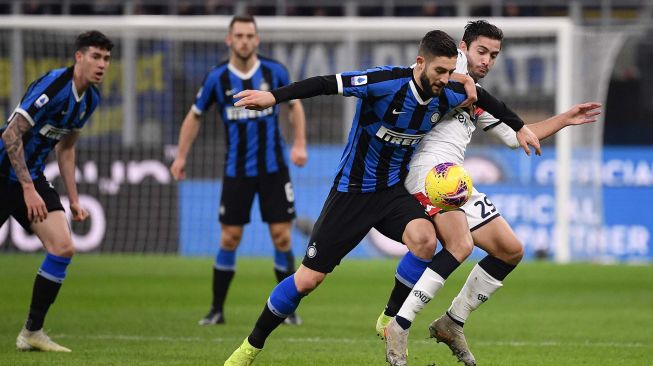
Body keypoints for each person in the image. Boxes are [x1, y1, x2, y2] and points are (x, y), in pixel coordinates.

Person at [223, 29, 540, 366]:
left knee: (424, 239)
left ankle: (390, 319)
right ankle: (250, 347)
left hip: (391, 192)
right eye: (440, 72)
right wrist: (273, 97)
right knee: (308, 279)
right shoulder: (383, 82)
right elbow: (324, 83)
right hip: (352, 193)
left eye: (451, 73)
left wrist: (518, 126)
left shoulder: (448, 92)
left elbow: (486, 99)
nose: (446, 80)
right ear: (420, 63)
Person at [378, 21, 602, 366]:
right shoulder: (447, 76)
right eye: (481, 51)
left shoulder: (473, 96)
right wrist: (460, 77)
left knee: (510, 250)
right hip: (429, 172)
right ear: (463, 49)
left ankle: (452, 322)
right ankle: (399, 324)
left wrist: (565, 118)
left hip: (453, 176)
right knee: (460, 245)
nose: (487, 60)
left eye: (494, 55)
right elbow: (417, 77)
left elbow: (516, 136)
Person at [169, 15, 308, 326]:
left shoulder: (274, 71)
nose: (244, 41)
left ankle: (287, 310)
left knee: (282, 238)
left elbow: (294, 105)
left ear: (257, 40)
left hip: (274, 169)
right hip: (237, 172)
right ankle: (217, 310)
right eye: (239, 35)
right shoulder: (217, 78)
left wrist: (299, 144)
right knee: (230, 237)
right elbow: (195, 116)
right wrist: (180, 157)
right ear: (228, 40)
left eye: (250, 35)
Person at [0, 30, 113, 352]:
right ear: (79, 57)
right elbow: (10, 136)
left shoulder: (90, 98)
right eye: (95, 56)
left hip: (29, 177)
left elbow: (66, 149)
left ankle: (32, 333)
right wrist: (27, 189)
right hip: (3, 172)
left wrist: (74, 200)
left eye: (106, 58)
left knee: (63, 247)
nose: (102, 64)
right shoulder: (54, 86)